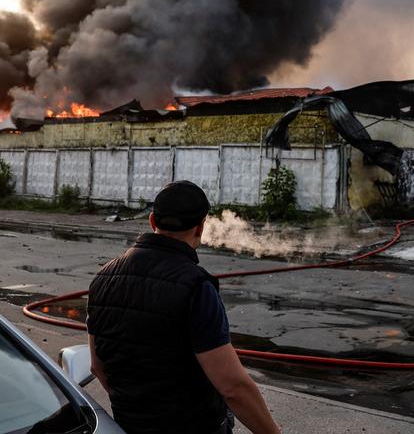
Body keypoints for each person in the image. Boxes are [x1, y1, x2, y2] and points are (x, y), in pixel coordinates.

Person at [88, 180, 281, 434]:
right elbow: (232, 387)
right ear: (200, 228)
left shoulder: (103, 278)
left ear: (152, 221)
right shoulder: (196, 287)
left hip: (129, 425)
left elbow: (97, 367)